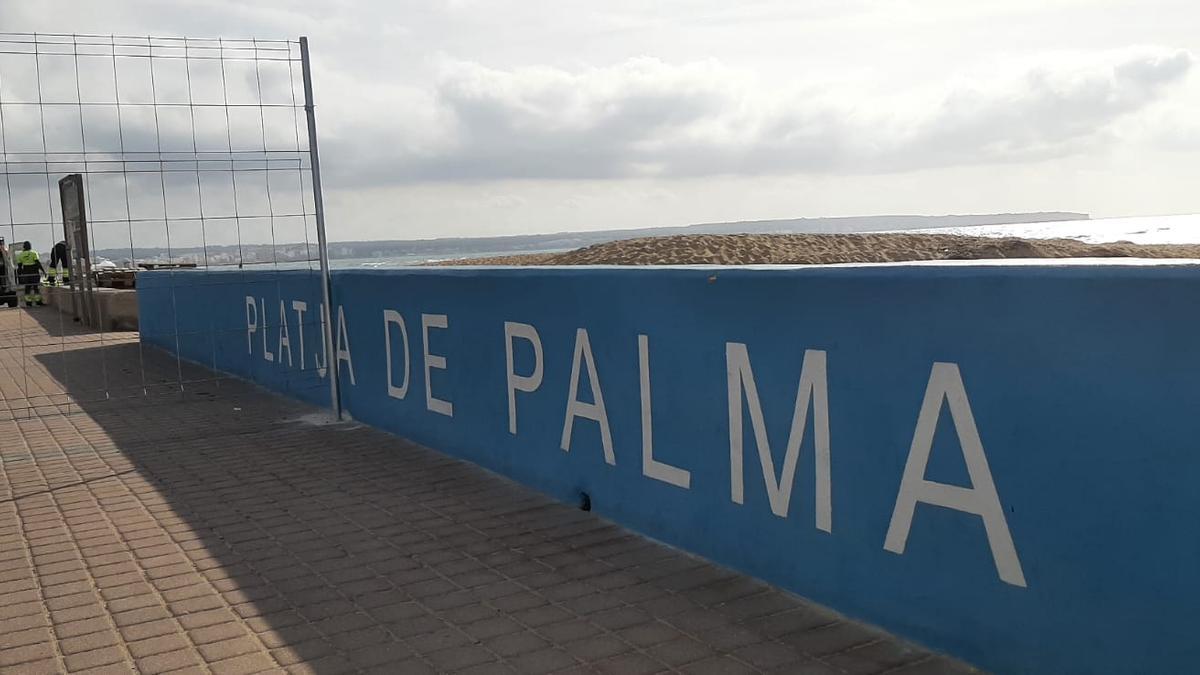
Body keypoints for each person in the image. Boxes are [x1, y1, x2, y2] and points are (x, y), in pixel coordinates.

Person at [15, 241, 45, 307]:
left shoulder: (20, 255)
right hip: (34, 272)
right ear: (30, 246)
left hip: (26, 273)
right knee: (36, 288)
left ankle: (28, 303)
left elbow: (19, 267)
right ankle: (38, 302)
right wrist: (43, 271)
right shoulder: (34, 253)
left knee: (27, 288)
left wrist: (19, 276)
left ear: (24, 247)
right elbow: (37, 263)